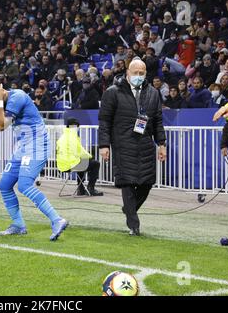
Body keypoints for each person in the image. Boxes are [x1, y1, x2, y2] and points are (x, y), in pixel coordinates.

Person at [0, 81, 68, 241]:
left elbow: (2, 126)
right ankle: (18, 225)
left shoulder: (17, 97)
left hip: (37, 145)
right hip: (24, 147)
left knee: (24, 185)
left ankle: (57, 220)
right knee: (5, 185)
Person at [98, 59, 167, 236]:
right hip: (122, 143)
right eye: (135, 72)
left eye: (141, 73)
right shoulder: (113, 92)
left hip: (145, 144)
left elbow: (158, 120)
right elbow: (104, 121)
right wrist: (104, 145)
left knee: (147, 182)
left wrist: (161, 144)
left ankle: (129, 209)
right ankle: (133, 224)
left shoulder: (152, 93)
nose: (138, 76)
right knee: (127, 182)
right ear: (127, 73)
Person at [56, 118, 103, 197]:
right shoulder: (72, 137)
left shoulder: (63, 137)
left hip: (62, 165)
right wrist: (90, 157)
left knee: (82, 162)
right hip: (70, 164)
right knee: (95, 164)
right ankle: (91, 188)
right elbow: (80, 152)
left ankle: (80, 189)